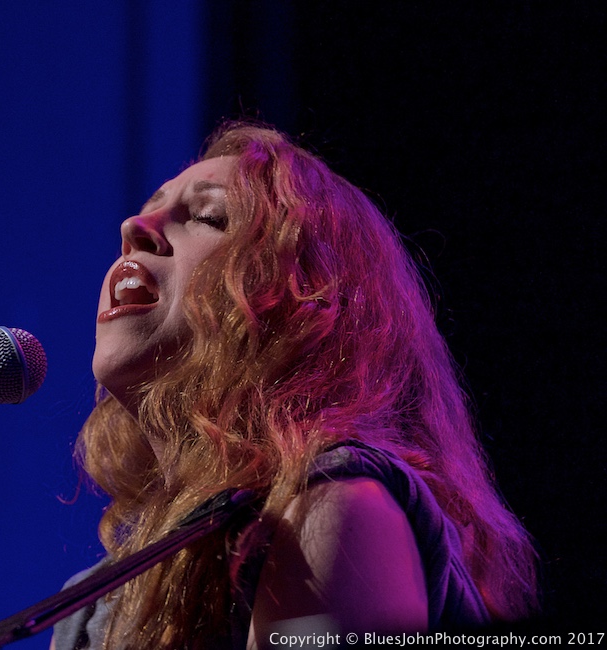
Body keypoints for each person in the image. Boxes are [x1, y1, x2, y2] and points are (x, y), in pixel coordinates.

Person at [52, 123, 539, 649]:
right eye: (150, 205)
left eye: (208, 217)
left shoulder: (334, 506)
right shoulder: (89, 607)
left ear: (298, 306)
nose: (133, 225)